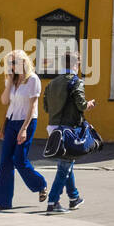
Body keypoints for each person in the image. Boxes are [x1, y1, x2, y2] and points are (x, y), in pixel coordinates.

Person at [43, 51, 94, 213]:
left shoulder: (52, 84)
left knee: (67, 163)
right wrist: (89, 105)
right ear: (75, 65)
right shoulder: (76, 81)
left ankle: (74, 197)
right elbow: (81, 105)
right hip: (68, 129)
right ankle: (53, 202)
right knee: (65, 166)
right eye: (78, 65)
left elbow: (46, 108)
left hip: (53, 128)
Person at [0, 50, 47, 210]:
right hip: (11, 121)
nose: (12, 66)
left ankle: (40, 184)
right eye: (10, 63)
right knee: (5, 161)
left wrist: (24, 129)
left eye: (15, 62)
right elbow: (6, 101)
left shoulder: (33, 80)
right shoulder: (12, 80)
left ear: (24, 62)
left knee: (19, 160)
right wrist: (9, 81)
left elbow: (33, 106)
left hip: (27, 122)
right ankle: (3, 202)